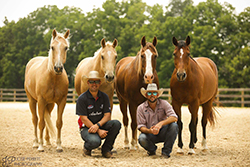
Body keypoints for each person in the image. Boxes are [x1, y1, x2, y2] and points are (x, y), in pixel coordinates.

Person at [76, 71, 121, 158]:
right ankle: (87, 148)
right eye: (91, 82)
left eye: (96, 81)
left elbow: (107, 115)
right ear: (88, 83)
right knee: (95, 142)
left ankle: (106, 150)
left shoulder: (104, 97)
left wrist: (98, 126)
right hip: (87, 128)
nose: (94, 84)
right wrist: (98, 130)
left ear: (100, 83)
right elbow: (84, 119)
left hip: (100, 125)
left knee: (116, 124)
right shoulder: (82, 98)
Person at [137, 83, 178, 158]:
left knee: (174, 126)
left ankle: (166, 152)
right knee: (141, 138)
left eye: (154, 93)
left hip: (163, 131)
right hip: (150, 133)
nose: (152, 95)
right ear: (146, 95)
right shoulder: (140, 108)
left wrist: (161, 124)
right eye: (149, 93)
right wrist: (150, 131)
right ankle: (152, 150)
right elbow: (141, 126)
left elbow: (174, 117)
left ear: (158, 95)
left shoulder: (164, 103)